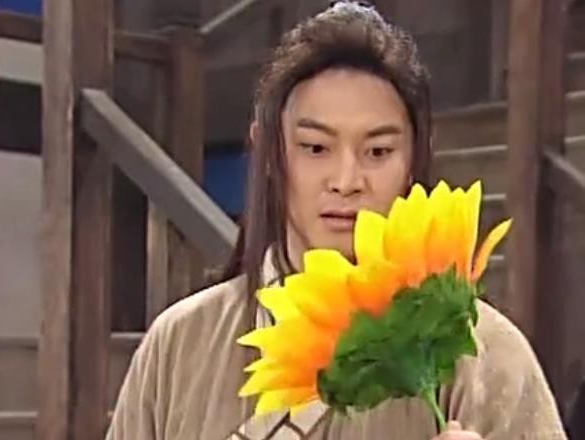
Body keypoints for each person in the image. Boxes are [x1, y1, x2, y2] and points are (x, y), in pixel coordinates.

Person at [106, 2, 567, 439]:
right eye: (315, 148)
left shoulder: (486, 357)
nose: (346, 181)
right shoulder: (178, 346)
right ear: (268, 152)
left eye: (378, 151)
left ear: (414, 159)